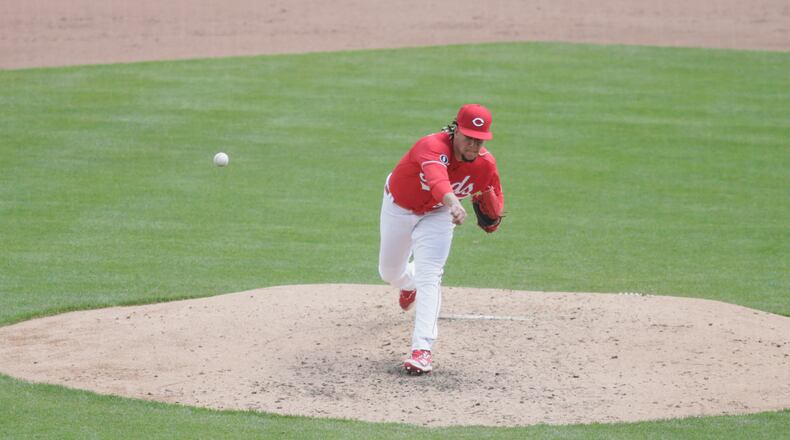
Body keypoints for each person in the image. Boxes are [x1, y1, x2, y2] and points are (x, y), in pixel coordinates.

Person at [378, 103, 505, 374]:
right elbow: (438, 181)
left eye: (479, 140)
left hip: (438, 215)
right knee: (389, 272)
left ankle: (421, 350)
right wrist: (454, 204)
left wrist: (493, 216)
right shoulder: (431, 146)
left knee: (431, 275)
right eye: (469, 137)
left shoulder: (485, 165)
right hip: (399, 207)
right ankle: (407, 283)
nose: (473, 145)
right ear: (455, 131)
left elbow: (492, 194)